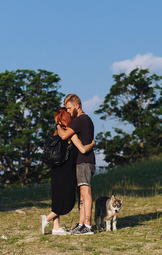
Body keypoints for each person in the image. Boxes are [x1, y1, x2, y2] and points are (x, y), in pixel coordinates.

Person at [41, 107, 96, 235]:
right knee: (67, 199)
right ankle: (47, 219)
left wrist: (58, 126)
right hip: (66, 170)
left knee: (57, 198)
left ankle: (56, 227)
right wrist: (93, 144)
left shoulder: (57, 132)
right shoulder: (71, 134)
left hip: (56, 168)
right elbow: (82, 149)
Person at [56, 94, 96, 235]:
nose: (68, 111)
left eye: (69, 108)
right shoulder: (86, 120)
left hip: (85, 161)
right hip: (84, 161)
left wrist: (58, 126)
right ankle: (81, 224)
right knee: (81, 194)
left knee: (86, 193)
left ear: (77, 106)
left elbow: (64, 135)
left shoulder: (80, 120)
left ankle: (88, 225)